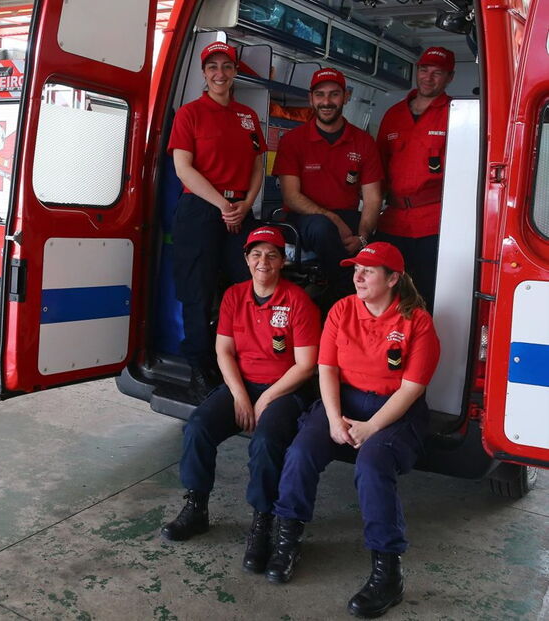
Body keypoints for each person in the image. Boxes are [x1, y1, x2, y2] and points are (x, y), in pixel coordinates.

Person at [265, 242, 440, 619]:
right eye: (356, 269)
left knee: (373, 466)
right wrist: (332, 419)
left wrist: (372, 427)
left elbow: (411, 389)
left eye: (368, 271)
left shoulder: (417, 321)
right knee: (301, 452)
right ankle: (287, 540)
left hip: (393, 409)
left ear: (392, 279)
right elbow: (326, 369)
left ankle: (388, 572)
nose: (358, 277)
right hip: (343, 401)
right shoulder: (342, 309)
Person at [160, 226, 321, 575]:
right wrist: (239, 396)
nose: (264, 261)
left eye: (272, 255)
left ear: (282, 261)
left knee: (265, 442)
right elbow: (224, 351)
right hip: (242, 385)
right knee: (198, 426)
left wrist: (266, 399)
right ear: (246, 259)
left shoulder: (298, 301)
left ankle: (262, 522)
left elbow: (306, 365)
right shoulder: (234, 296)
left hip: (285, 390)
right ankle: (196, 507)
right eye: (256, 254)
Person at [167, 40, 267, 402]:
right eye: (213, 67)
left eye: (226, 66)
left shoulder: (247, 116)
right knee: (197, 291)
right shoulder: (189, 114)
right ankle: (200, 369)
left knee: (251, 288)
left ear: (235, 72)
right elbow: (183, 169)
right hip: (200, 210)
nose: (220, 73)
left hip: (241, 210)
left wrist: (246, 203)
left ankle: (248, 363)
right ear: (204, 73)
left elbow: (258, 164)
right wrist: (223, 205)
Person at [271, 67, 384, 300]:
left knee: (383, 243)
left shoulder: (363, 142)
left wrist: (363, 237)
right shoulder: (293, 141)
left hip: (348, 218)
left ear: (346, 97)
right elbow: (291, 196)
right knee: (323, 228)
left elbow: (373, 199)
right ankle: (347, 296)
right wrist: (332, 219)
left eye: (334, 94)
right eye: (320, 95)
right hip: (305, 220)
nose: (326, 102)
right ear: (310, 98)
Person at [375, 47, 455, 311]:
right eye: (424, 70)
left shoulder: (455, 113)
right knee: (385, 294)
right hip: (392, 220)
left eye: (437, 73)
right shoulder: (394, 114)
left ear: (450, 77)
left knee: (426, 295)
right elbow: (377, 168)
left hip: (433, 223)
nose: (428, 78)